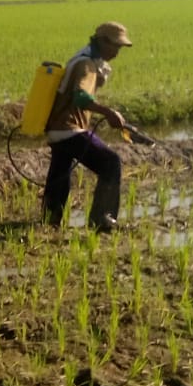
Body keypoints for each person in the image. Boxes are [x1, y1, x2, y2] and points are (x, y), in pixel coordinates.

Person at [43, 21, 133, 232]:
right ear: (102, 42)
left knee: (60, 172)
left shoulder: (83, 58)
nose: (117, 52)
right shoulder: (87, 65)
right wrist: (109, 113)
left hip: (55, 128)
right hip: (69, 128)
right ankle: (102, 219)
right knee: (110, 162)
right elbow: (81, 98)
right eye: (116, 46)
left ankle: (50, 220)